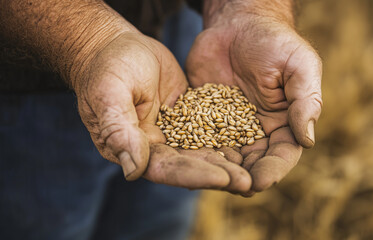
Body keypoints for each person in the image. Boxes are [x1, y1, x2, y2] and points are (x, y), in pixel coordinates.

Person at [0, 0, 322, 239]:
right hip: (40, 57)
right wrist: (88, 42)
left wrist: (253, 9)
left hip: (193, 29)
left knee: (159, 223)